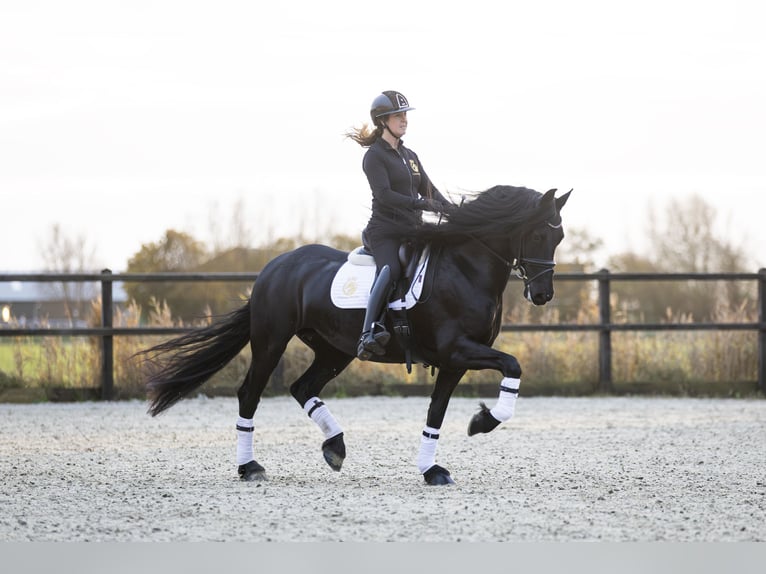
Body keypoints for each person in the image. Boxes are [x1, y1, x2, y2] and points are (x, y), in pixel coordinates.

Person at [347, 90, 451, 361]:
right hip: (384, 231)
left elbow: (428, 189)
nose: (404, 120)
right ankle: (368, 331)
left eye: (405, 115)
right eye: (398, 116)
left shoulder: (411, 156)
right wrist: (420, 205)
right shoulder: (374, 157)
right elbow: (384, 196)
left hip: (412, 229)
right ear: (383, 121)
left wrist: (454, 211)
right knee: (391, 269)